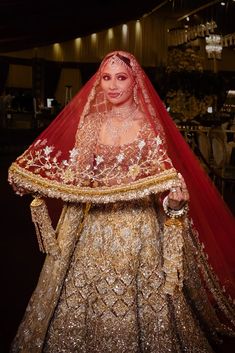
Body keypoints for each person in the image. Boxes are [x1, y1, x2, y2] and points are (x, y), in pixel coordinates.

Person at [8, 51, 235, 353]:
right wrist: (44, 181)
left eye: (121, 77)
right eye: (106, 77)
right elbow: (77, 175)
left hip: (139, 228)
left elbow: (161, 188)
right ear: (99, 82)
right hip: (93, 228)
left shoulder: (147, 127)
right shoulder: (90, 123)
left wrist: (175, 203)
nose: (113, 85)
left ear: (134, 82)